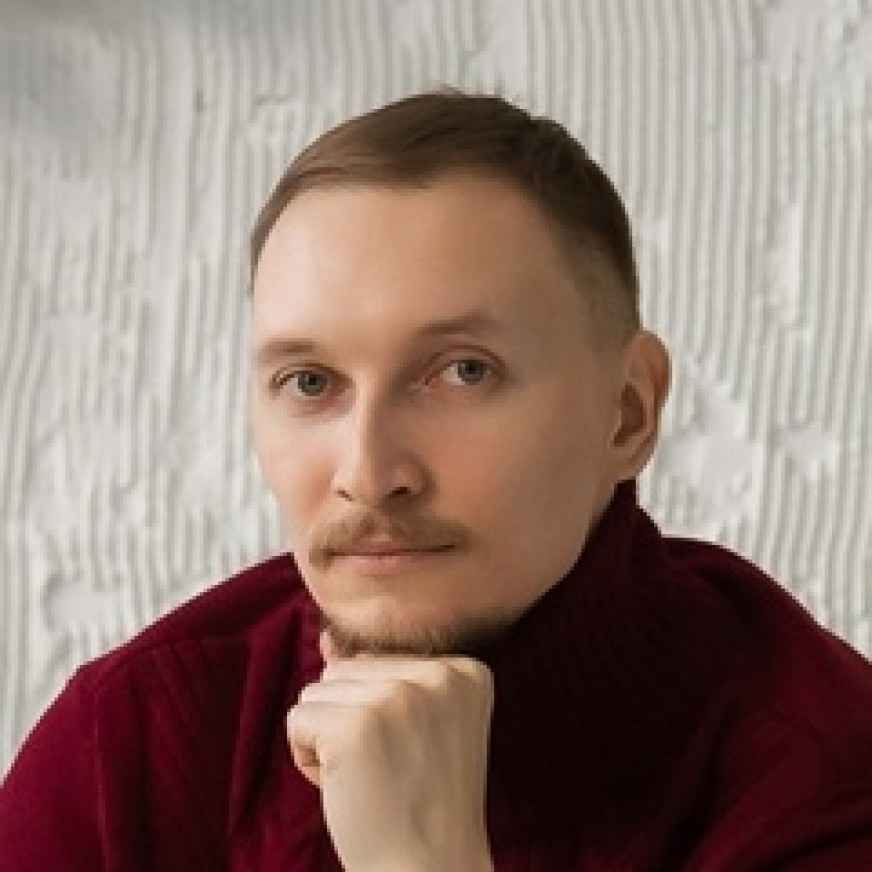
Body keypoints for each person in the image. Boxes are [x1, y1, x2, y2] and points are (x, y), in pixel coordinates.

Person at [2, 85, 871, 872]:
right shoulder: (131, 740)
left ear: (627, 414)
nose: (370, 474)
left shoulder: (826, 774)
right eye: (309, 382)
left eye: (463, 372)